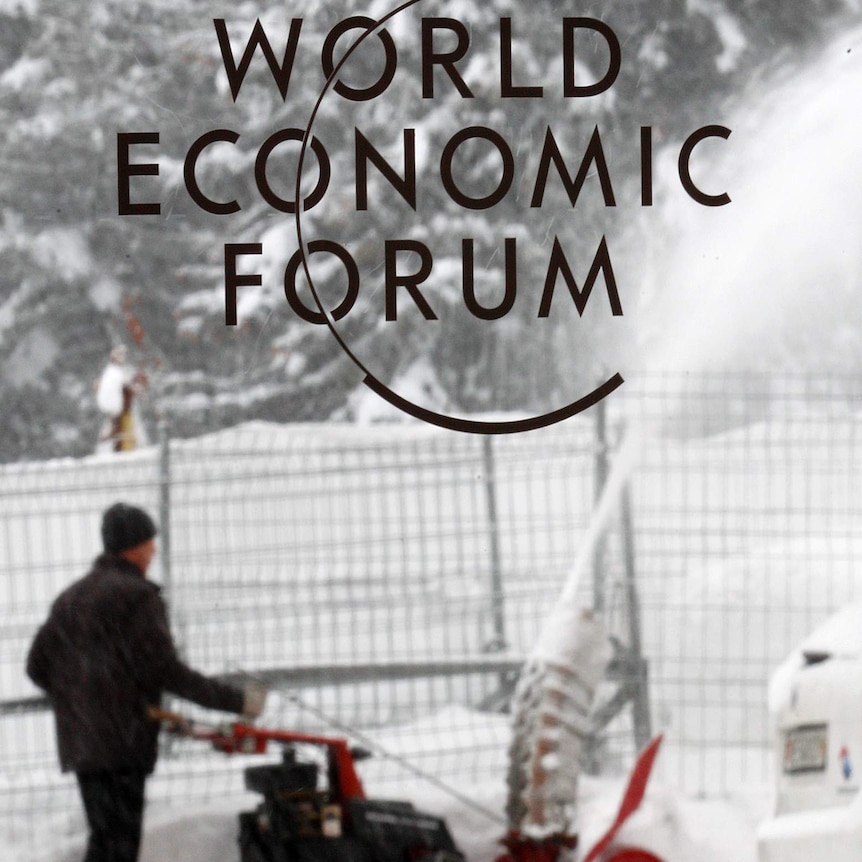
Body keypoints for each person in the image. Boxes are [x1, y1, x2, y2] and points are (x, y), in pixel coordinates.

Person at [26, 502, 267, 862]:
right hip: (122, 740)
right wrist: (237, 701)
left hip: (83, 740)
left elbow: (37, 666)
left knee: (106, 841)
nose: (154, 550)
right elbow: (165, 670)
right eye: (150, 542)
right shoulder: (138, 597)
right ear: (135, 545)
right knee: (118, 845)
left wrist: (83, 696)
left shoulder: (71, 598)